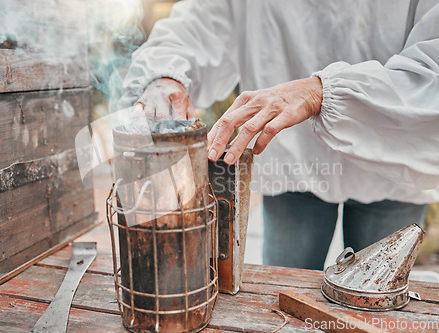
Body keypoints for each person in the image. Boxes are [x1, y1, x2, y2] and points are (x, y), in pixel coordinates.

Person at [119, 0, 439, 270]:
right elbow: (202, 22)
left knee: (379, 304)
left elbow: (432, 64)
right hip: (290, 155)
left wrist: (320, 92)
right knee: (283, 296)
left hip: (392, 154)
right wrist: (164, 75)